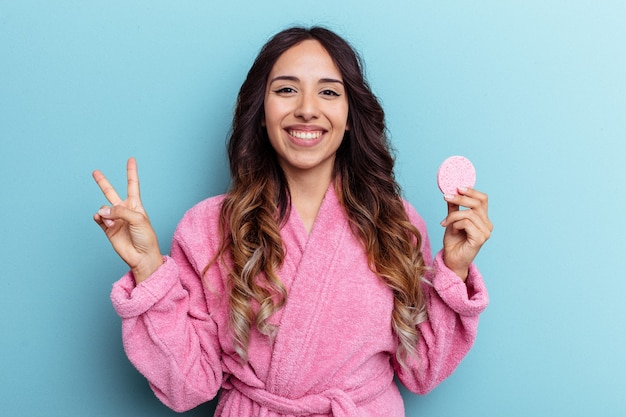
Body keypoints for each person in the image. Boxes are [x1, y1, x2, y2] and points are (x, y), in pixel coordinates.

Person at [93, 26, 492, 417]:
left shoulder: (395, 223)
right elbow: (188, 387)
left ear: (350, 115)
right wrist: (147, 270)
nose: (306, 107)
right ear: (261, 113)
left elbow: (422, 371)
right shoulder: (207, 227)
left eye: (329, 92)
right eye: (286, 89)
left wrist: (454, 271)